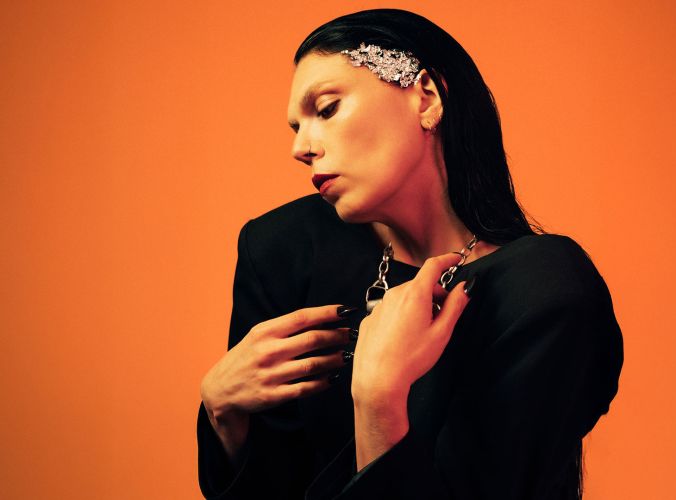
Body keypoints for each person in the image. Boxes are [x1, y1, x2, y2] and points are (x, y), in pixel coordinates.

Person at [197, 8, 623, 500]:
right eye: (296, 126)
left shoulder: (543, 291)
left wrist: (379, 401)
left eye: (327, 109)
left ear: (426, 97)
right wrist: (222, 414)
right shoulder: (283, 247)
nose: (300, 147)